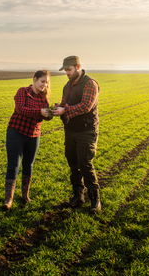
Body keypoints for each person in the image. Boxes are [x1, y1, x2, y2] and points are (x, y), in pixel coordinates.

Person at [52, 56, 101, 213]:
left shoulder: (90, 84)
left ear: (78, 67)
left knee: (85, 164)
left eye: (69, 69)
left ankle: (95, 200)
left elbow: (86, 106)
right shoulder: (67, 86)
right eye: (65, 70)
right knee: (73, 165)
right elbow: (66, 104)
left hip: (86, 131)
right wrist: (58, 108)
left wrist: (65, 110)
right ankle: (77, 196)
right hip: (70, 131)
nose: (67, 72)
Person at [2, 69, 53, 211]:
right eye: (42, 81)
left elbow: (45, 117)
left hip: (34, 134)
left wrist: (50, 113)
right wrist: (39, 112)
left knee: (28, 165)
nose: (44, 85)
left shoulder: (44, 98)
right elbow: (20, 109)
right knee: (13, 166)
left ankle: (25, 195)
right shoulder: (23, 92)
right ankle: (8, 199)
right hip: (16, 132)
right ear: (35, 79)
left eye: (46, 83)